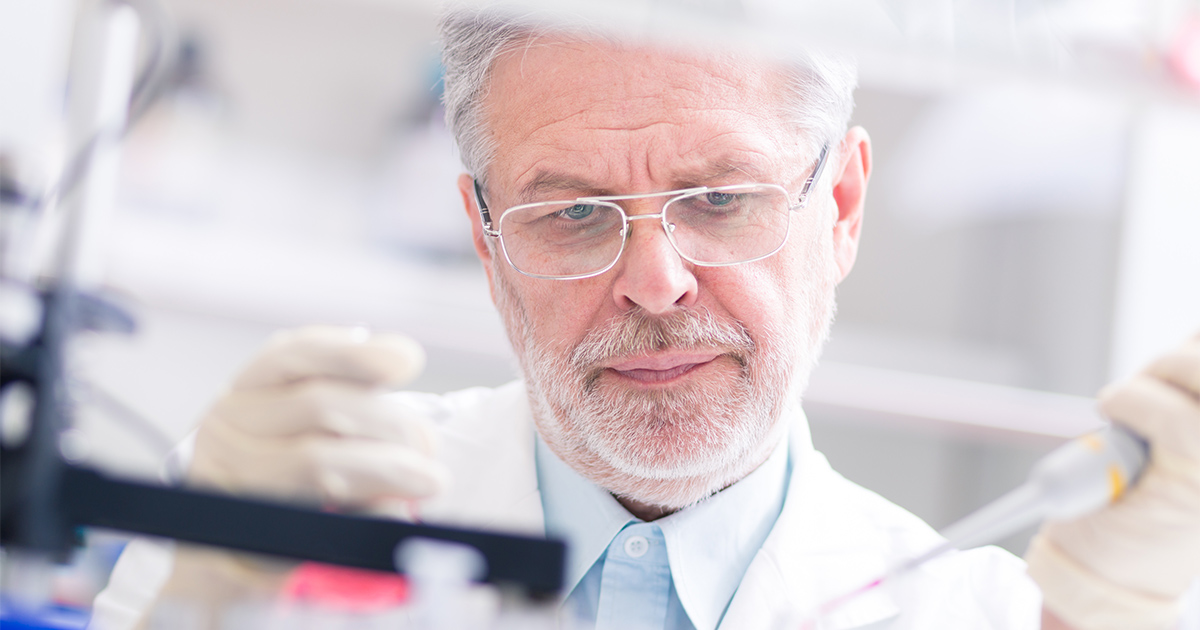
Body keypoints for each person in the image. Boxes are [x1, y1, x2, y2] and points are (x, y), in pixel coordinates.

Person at [93, 8, 1200, 630]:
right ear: (486, 237)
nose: (655, 282)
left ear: (841, 208)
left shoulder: (986, 617)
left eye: (719, 199)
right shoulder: (274, 519)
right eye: (573, 213)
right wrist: (199, 612)